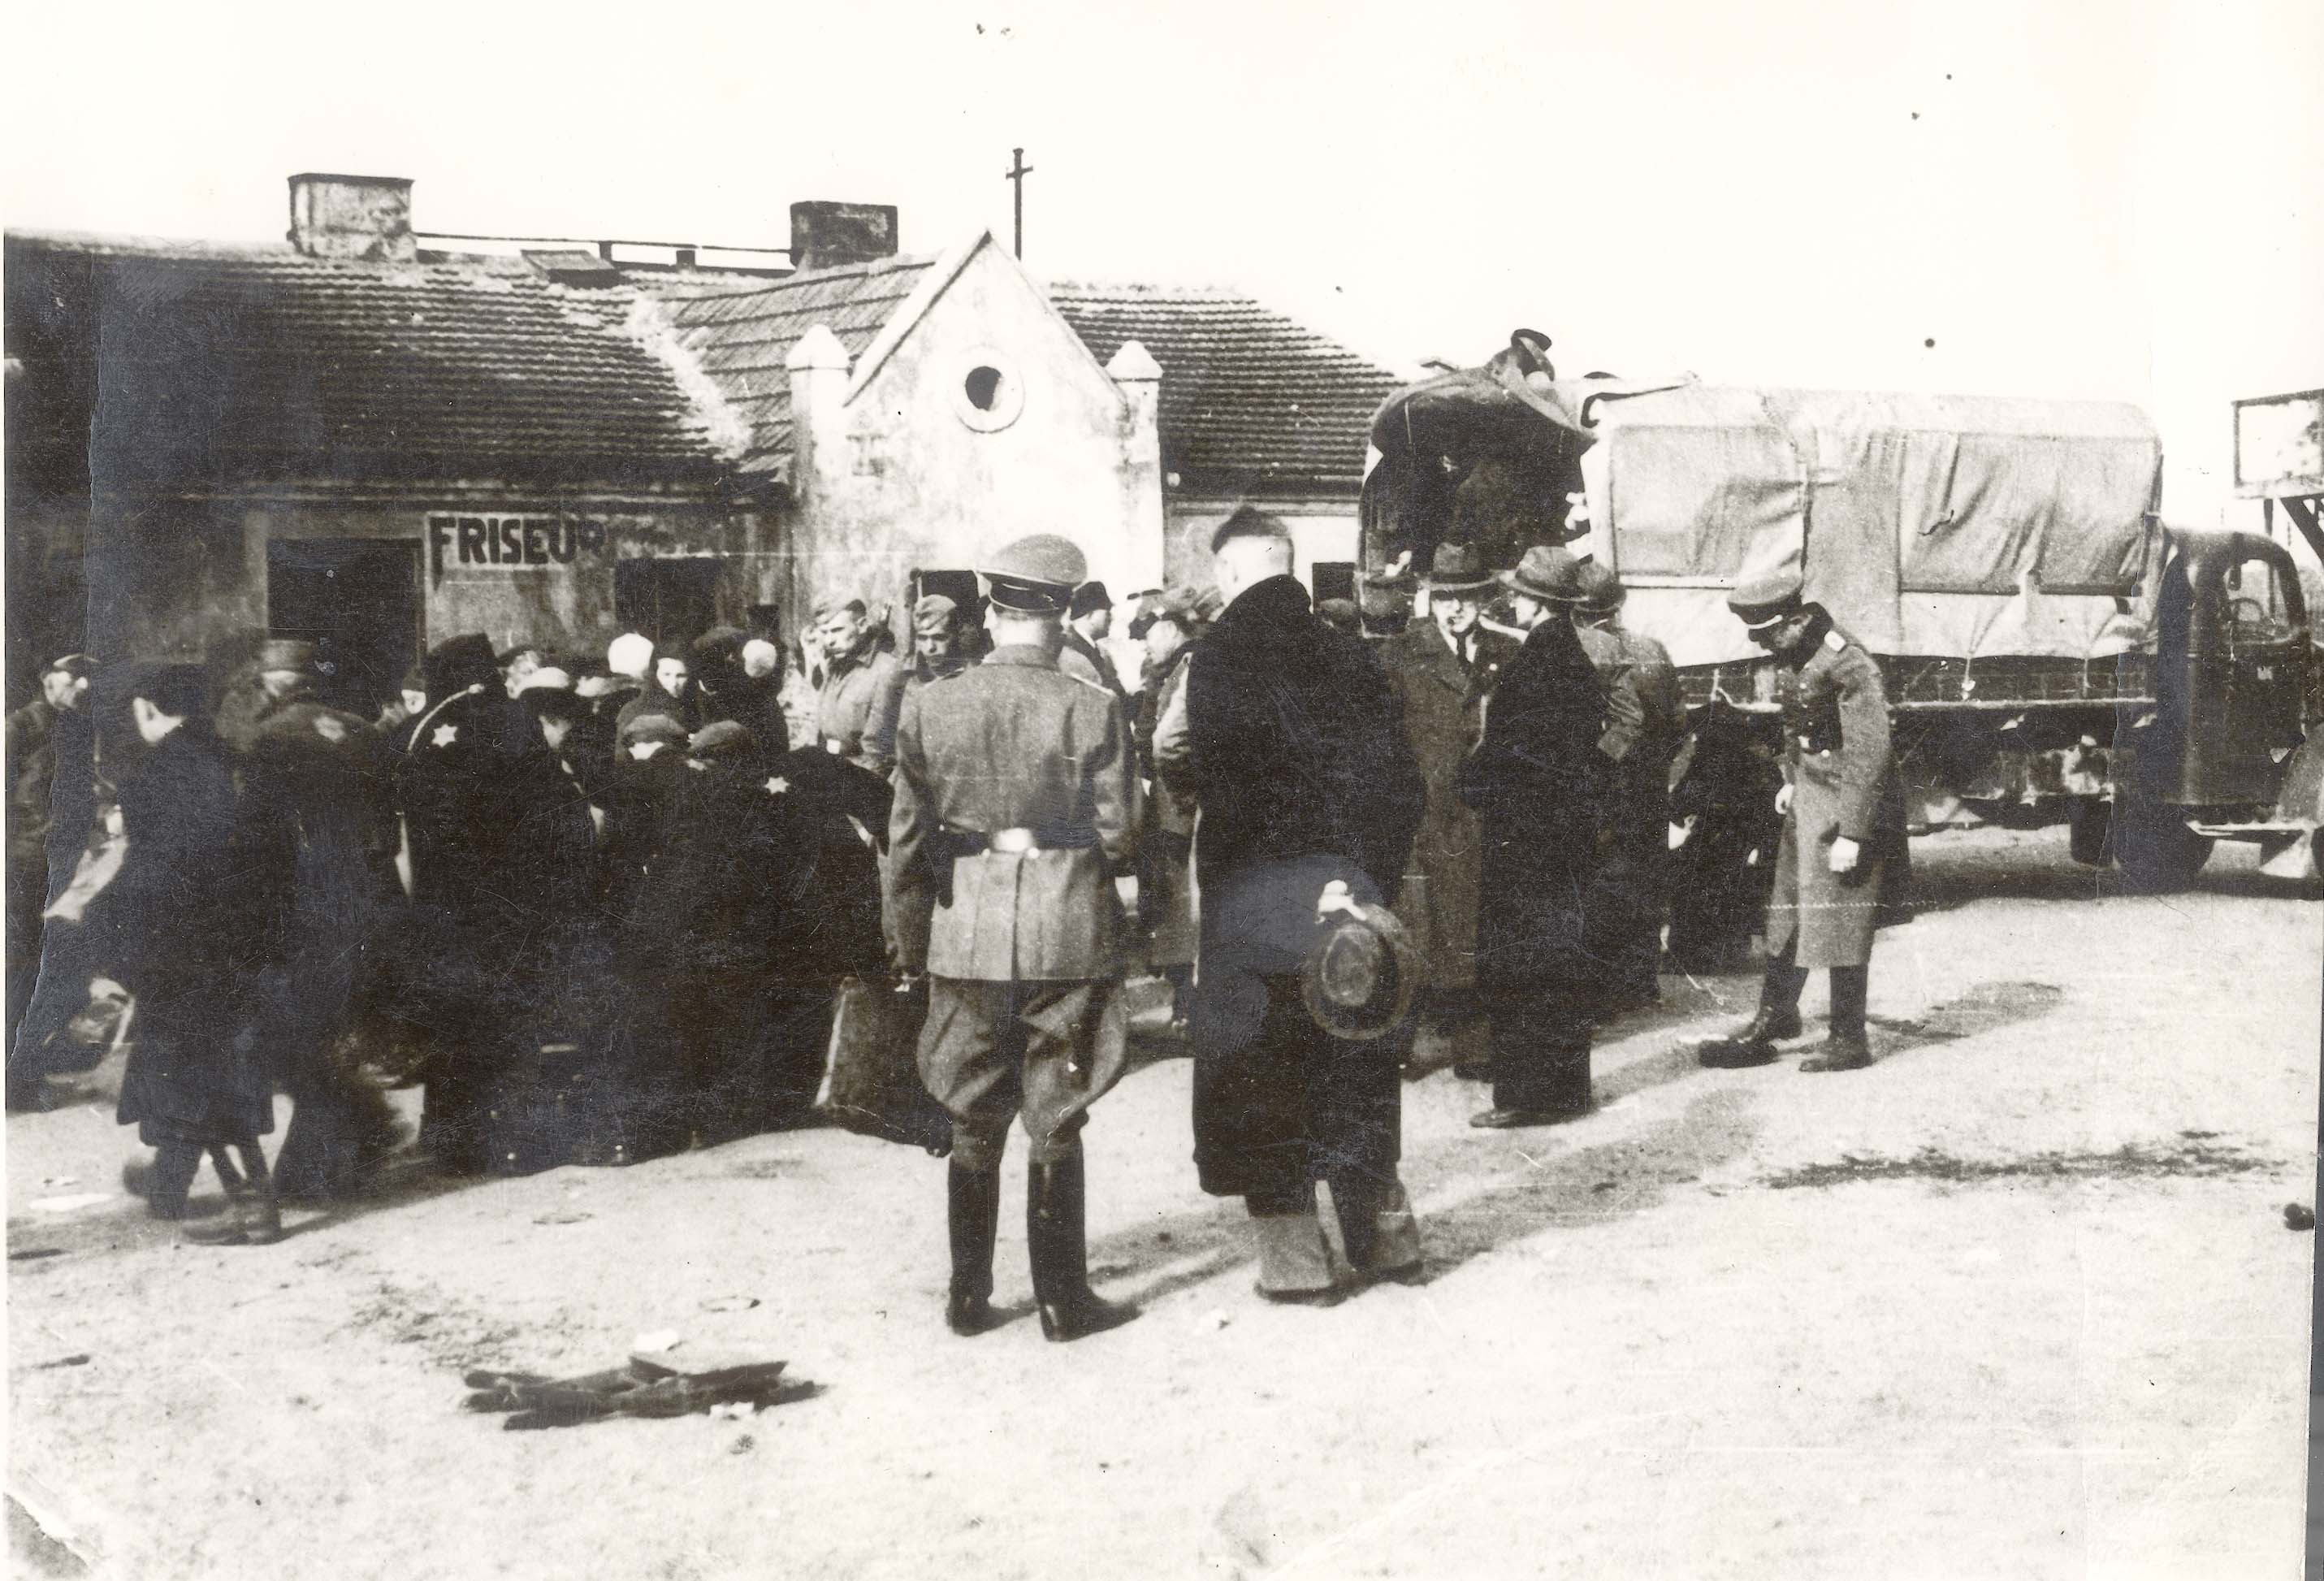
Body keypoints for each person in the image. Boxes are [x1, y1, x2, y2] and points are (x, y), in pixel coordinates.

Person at [1162, 506, 1426, 1302]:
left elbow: (1171, 750)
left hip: (1249, 900)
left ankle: (1295, 1264)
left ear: (1229, 571)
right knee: (1351, 1057)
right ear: (1287, 562)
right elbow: (1401, 784)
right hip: (1341, 895)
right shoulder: (1349, 654)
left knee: (1259, 1073)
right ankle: (1385, 1242)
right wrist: (1360, 876)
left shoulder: (1209, 661)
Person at [889, 532, 1142, 1342]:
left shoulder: (929, 703)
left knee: (970, 1112)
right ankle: (1063, 1301)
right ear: (1061, 615)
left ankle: (967, 1297)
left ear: (991, 612)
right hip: (1065, 925)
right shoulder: (1091, 705)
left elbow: (902, 844)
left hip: (964, 929)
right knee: (1055, 1111)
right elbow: (1122, 833)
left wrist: (906, 942)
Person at [1698, 569, 1905, 1073]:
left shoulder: (1846, 661)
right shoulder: (1794, 651)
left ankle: (1849, 1038)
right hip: (1811, 789)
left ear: (1794, 619)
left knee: (1842, 914)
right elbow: (1795, 720)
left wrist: (1854, 832)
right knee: (1787, 907)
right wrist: (1790, 777)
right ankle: (1776, 1016)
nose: (1766, 646)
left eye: (1769, 634)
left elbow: (1870, 749)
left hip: (1847, 796)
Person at [100, 661, 279, 1243]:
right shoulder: (240, 762)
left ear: (150, 709)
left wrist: (105, 933)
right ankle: (167, 1183)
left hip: (181, 950)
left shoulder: (154, 775)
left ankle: (253, 1208)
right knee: (200, 1067)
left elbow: (152, 872)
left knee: (198, 1075)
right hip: (242, 945)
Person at [392, 634, 573, 1172]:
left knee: (452, 1016)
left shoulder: (424, 730)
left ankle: (448, 1138)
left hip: (445, 904)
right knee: (515, 1017)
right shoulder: (518, 721)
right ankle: (516, 1140)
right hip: (515, 900)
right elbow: (554, 810)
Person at [1457, 545, 1621, 1128]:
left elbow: (1511, 753)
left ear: (1533, 602)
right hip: (1560, 834)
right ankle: (1564, 1089)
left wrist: (1472, 782)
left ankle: (1529, 1097)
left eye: (1520, 595)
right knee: (1558, 958)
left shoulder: (1536, 664)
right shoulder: (1570, 657)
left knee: (1523, 963)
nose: (1514, 603)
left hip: (1525, 837)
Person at [237, 640, 404, 1202]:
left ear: (273, 682)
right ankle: (351, 1147)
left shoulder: (266, 738)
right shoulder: (364, 731)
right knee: (342, 1028)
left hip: (305, 902)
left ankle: (321, 1168)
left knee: (307, 1035)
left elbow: (260, 841)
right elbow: (387, 826)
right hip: (368, 895)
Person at [1377, 544, 1517, 1064]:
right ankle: (1400, 1042)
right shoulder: (1399, 654)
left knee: (1472, 923)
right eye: (1443, 598)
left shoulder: (1507, 654)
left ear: (1483, 600)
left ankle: (1471, 1042)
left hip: (1479, 812)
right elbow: (1382, 738)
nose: (1453, 609)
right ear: (1428, 600)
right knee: (1415, 925)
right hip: (1422, 811)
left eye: (1465, 598)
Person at [1574, 561, 1689, 1013]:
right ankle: (1641, 983)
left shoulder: (1584, 648)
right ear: (1618, 604)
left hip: (1604, 784)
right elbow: (1679, 720)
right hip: (1648, 786)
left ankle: (1603, 989)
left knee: (1601, 882)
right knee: (1645, 879)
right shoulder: (1651, 648)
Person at [6, 652, 97, 1098]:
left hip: (64, 861)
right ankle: (16, 1079)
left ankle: (31, 1063)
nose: (81, 689)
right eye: (73, 680)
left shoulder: (78, 728)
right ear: (49, 682)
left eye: (85, 682)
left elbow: (85, 792)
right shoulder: (17, 729)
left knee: (58, 964)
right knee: (22, 967)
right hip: (23, 863)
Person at [1128, 587, 1216, 1029]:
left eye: (1147, 632)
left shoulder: (1189, 666)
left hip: (1182, 808)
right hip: (1170, 804)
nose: (1143, 642)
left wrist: (1180, 792)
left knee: (1185, 909)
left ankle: (1190, 1007)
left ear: (1170, 627)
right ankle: (1186, 1003)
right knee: (1175, 907)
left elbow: (1171, 742)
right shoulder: (1169, 667)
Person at [866, 595, 972, 774]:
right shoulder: (899, 681)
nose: (930, 647)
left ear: (956, 636)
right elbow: (875, 744)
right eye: (923, 638)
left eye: (940, 638)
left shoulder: (973, 681)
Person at [813, 596, 902, 777]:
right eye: (825, 632)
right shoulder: (834, 667)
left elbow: (877, 754)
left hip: (862, 784)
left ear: (861, 625)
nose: (829, 641)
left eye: (837, 630)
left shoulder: (886, 671)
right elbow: (824, 735)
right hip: (829, 774)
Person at [1060, 580, 1132, 712]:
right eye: (1107, 612)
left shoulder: (1093, 649)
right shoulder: (1070, 650)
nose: (1111, 618)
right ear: (1090, 615)